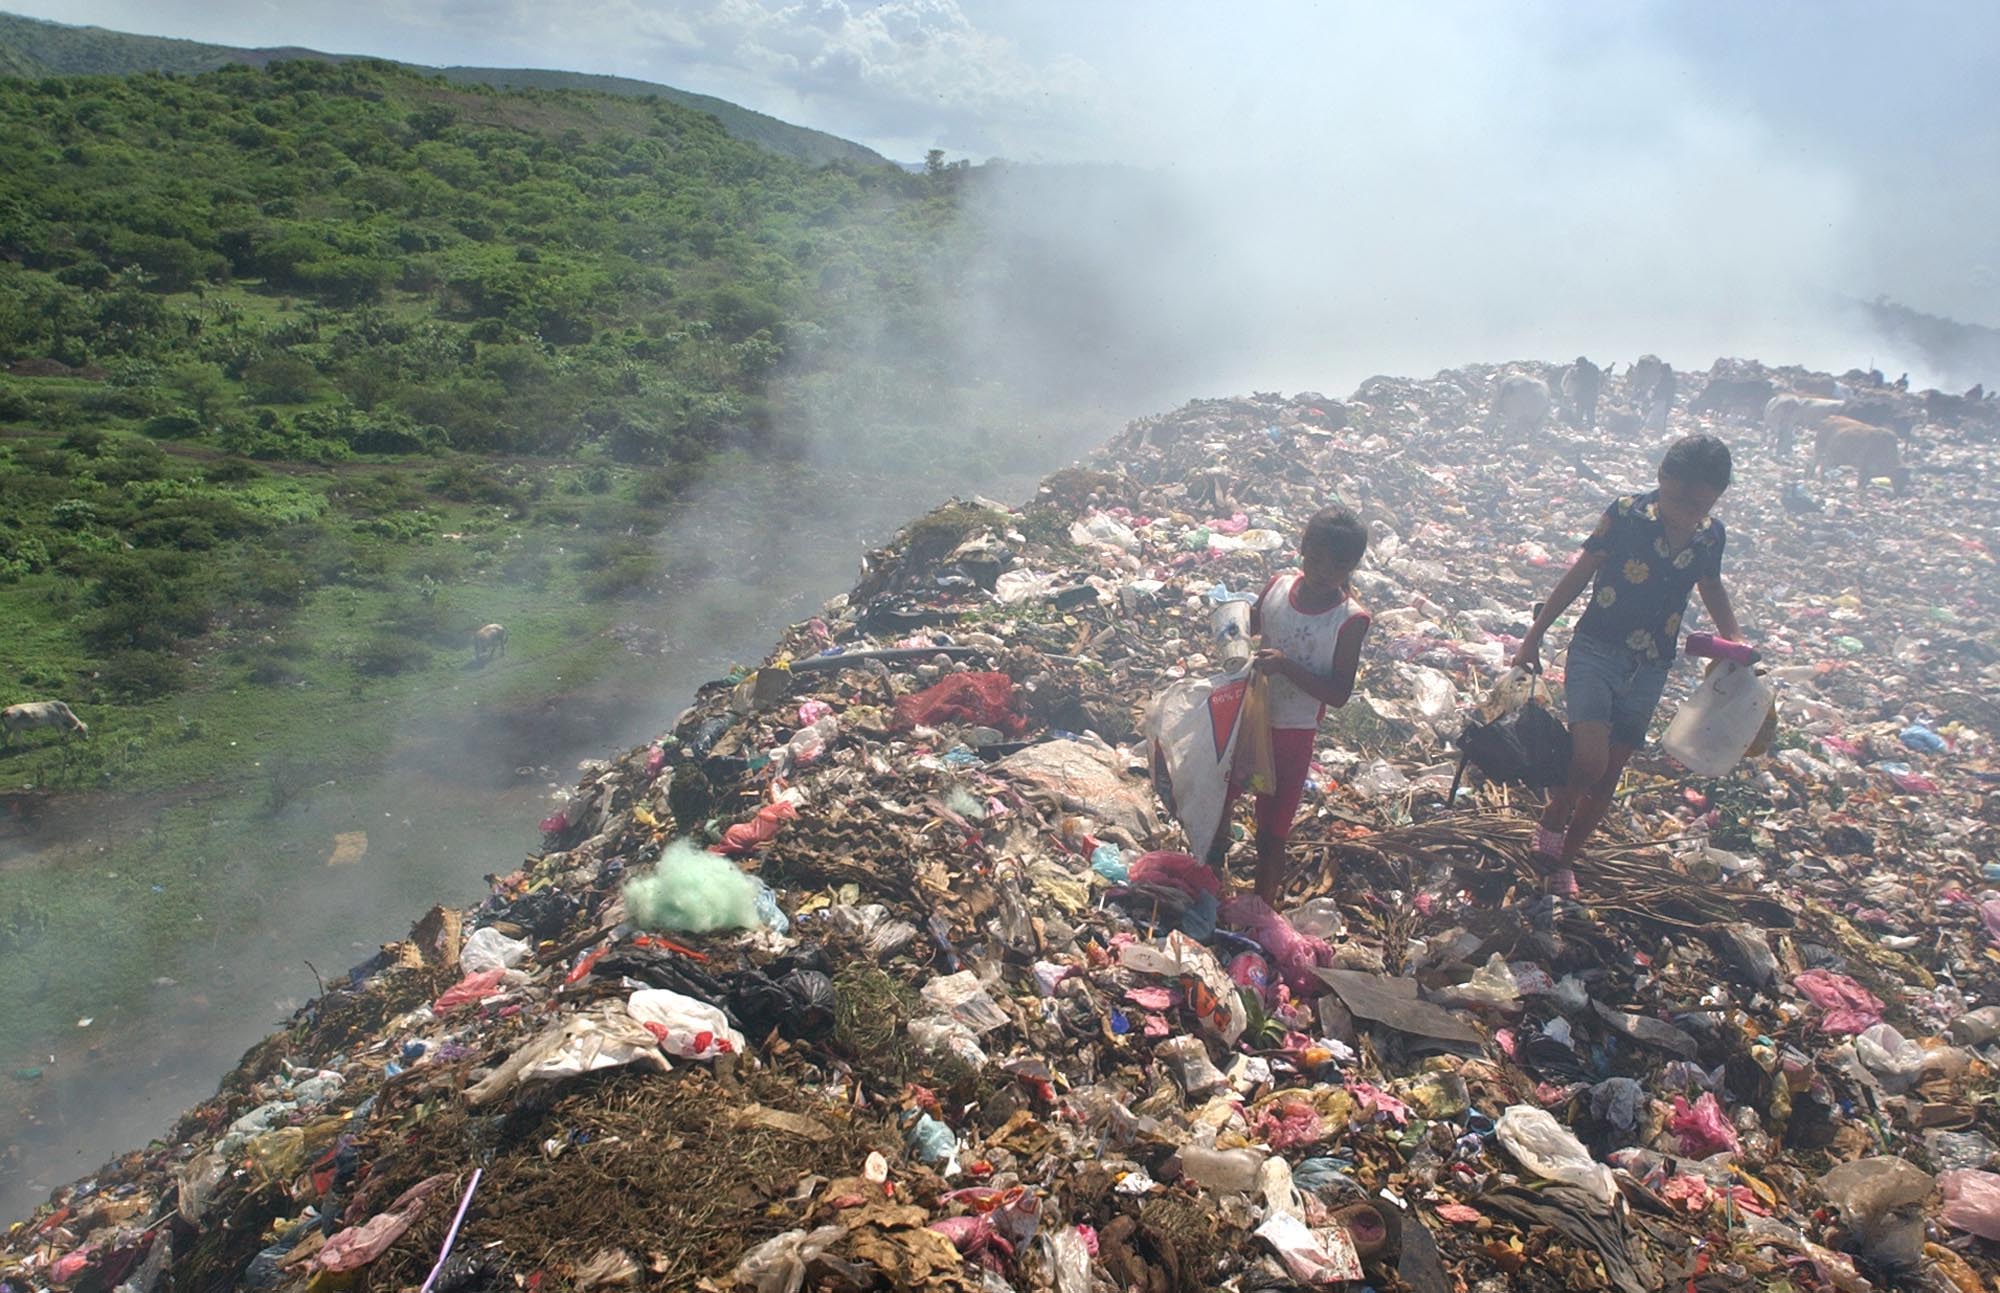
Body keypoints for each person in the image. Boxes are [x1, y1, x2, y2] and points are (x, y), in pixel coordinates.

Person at [1511, 434, 1742, 896]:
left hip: (1652, 665)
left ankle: (1566, 862)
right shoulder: (1625, 515)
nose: (1687, 511)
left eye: (1700, 503)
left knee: (1609, 776)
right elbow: (1578, 574)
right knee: (1589, 761)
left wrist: (1732, 638)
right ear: (1662, 479)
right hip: (1596, 649)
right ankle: (1554, 817)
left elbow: (1710, 585)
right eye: (1679, 498)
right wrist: (1534, 637)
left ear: (1715, 498)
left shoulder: (1709, 535)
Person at [1227, 505, 1372, 903]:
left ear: (1352, 566)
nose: (1324, 572)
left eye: (1337, 565)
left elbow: (1339, 694)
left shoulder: (1349, 619)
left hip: (1291, 736)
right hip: (1246, 720)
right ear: (1303, 547)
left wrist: (1287, 667)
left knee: (1272, 831)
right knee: (1220, 804)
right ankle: (1207, 883)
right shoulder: (1277, 587)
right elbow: (1251, 627)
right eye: (1318, 559)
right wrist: (1229, 622)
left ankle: (1262, 909)